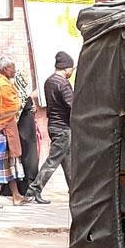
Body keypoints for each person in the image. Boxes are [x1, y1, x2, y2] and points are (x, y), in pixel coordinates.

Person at [30, 51, 75, 204]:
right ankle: (34, 190)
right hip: (63, 127)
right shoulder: (63, 84)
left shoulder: (49, 81)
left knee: (68, 162)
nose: (71, 72)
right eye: (71, 69)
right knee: (53, 161)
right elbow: (72, 105)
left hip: (53, 125)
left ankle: (75, 192)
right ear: (66, 68)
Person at [0, 61, 25, 206]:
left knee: (12, 163)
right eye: (12, 69)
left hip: (7, 127)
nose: (14, 71)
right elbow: (10, 106)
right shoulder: (0, 84)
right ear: (4, 69)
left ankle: (16, 195)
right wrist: (19, 103)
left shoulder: (1, 82)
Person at [13, 63, 40, 195]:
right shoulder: (21, 95)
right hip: (24, 132)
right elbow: (20, 108)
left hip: (24, 131)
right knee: (28, 158)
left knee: (27, 157)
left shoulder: (22, 95)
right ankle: (28, 187)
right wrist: (30, 98)